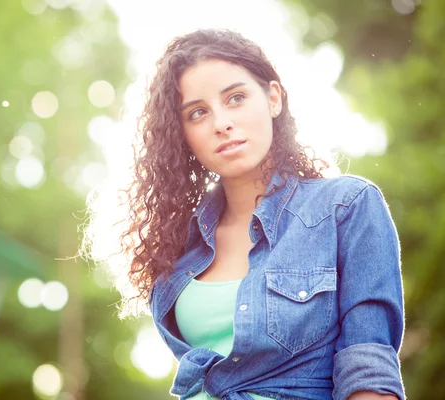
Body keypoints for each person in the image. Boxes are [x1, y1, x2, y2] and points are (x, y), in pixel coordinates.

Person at [83, 29, 405, 400]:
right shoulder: (177, 242)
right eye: (198, 112)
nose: (221, 123)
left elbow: (369, 370)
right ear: (182, 134)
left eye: (235, 98)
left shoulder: (346, 206)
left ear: (273, 99)